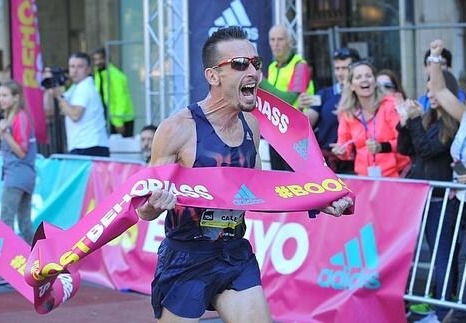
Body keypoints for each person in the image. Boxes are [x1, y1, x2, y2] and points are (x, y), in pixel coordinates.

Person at [135, 26, 352, 322]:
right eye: (240, 64)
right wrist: (153, 204)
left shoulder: (252, 126)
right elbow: (144, 210)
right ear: (213, 76)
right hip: (187, 256)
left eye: (256, 63)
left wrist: (319, 199)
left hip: (235, 253)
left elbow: (264, 193)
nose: (253, 71)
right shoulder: (178, 128)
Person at [429, 39, 466, 323]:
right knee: (463, 256)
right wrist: (435, 56)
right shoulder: (464, 118)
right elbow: (439, 88)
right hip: (462, 199)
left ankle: (462, 315)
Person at [396, 69, 461, 322]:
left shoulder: (452, 123)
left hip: (439, 200)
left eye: (436, 89)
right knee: (409, 253)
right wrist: (405, 123)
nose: (430, 94)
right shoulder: (427, 119)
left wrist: (413, 121)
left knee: (440, 255)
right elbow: (407, 149)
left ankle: (445, 309)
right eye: (428, 89)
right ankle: (429, 302)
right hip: (419, 198)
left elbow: (428, 149)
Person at [0, 80, 37, 286]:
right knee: (24, 223)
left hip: (18, 176)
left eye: (4, 95)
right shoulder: (14, 117)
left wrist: (5, 133)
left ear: (15, 97)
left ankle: (3, 270)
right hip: (23, 175)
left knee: (6, 221)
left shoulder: (19, 118)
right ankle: (42, 263)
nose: (0, 99)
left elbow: (21, 151)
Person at [331, 60, 410, 177]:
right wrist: (340, 151)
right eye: (358, 77)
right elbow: (345, 146)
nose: (364, 80)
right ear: (352, 86)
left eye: (368, 76)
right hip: (365, 178)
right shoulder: (347, 113)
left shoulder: (389, 105)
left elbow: (404, 142)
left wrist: (382, 147)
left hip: (397, 175)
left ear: (375, 82)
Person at [258, 24, 314, 171]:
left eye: (280, 39)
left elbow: (289, 99)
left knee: (294, 178)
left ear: (290, 41)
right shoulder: (272, 67)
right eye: (272, 39)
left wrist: (261, 81)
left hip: (295, 132)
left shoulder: (300, 65)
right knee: (278, 177)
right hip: (275, 131)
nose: (275, 44)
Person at [298, 47, 360, 173]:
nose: (341, 73)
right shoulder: (324, 94)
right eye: (337, 68)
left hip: (358, 161)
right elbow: (305, 124)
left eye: (345, 68)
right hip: (328, 163)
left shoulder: (363, 94)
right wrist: (300, 108)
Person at [44, 52, 110, 157]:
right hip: (83, 145)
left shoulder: (85, 87)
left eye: (80, 67)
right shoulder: (76, 88)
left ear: (88, 70)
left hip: (89, 146)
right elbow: (50, 111)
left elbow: (75, 115)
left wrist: (59, 96)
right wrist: (49, 86)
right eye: (72, 66)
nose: (75, 71)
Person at [92, 48, 136, 137]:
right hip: (108, 118)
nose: (98, 62)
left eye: (100, 58)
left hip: (122, 119)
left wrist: (118, 121)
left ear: (107, 58)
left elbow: (121, 99)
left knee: (123, 147)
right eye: (95, 59)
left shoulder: (116, 76)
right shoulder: (98, 75)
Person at [419, 47, 466, 112]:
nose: (435, 67)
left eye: (441, 64)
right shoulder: (422, 100)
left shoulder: (459, 96)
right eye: (430, 63)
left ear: (449, 68)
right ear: (425, 69)